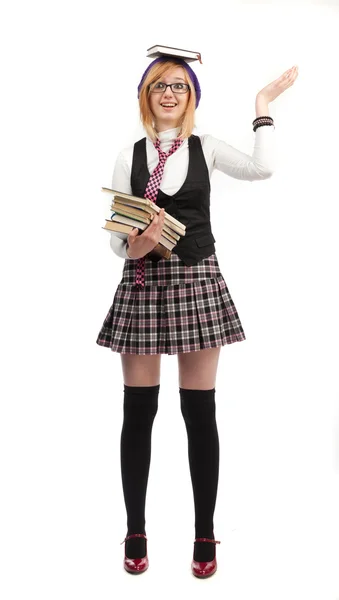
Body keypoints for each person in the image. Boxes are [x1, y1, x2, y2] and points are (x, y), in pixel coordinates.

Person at [96, 53, 298, 577]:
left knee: (199, 413)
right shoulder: (129, 155)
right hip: (143, 286)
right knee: (138, 415)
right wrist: (134, 247)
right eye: (160, 85)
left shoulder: (205, 148)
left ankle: (205, 532)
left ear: (192, 97)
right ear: (147, 95)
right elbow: (118, 240)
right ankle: (135, 529)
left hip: (197, 282)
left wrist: (262, 106)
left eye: (180, 86)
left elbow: (263, 168)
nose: (170, 94)